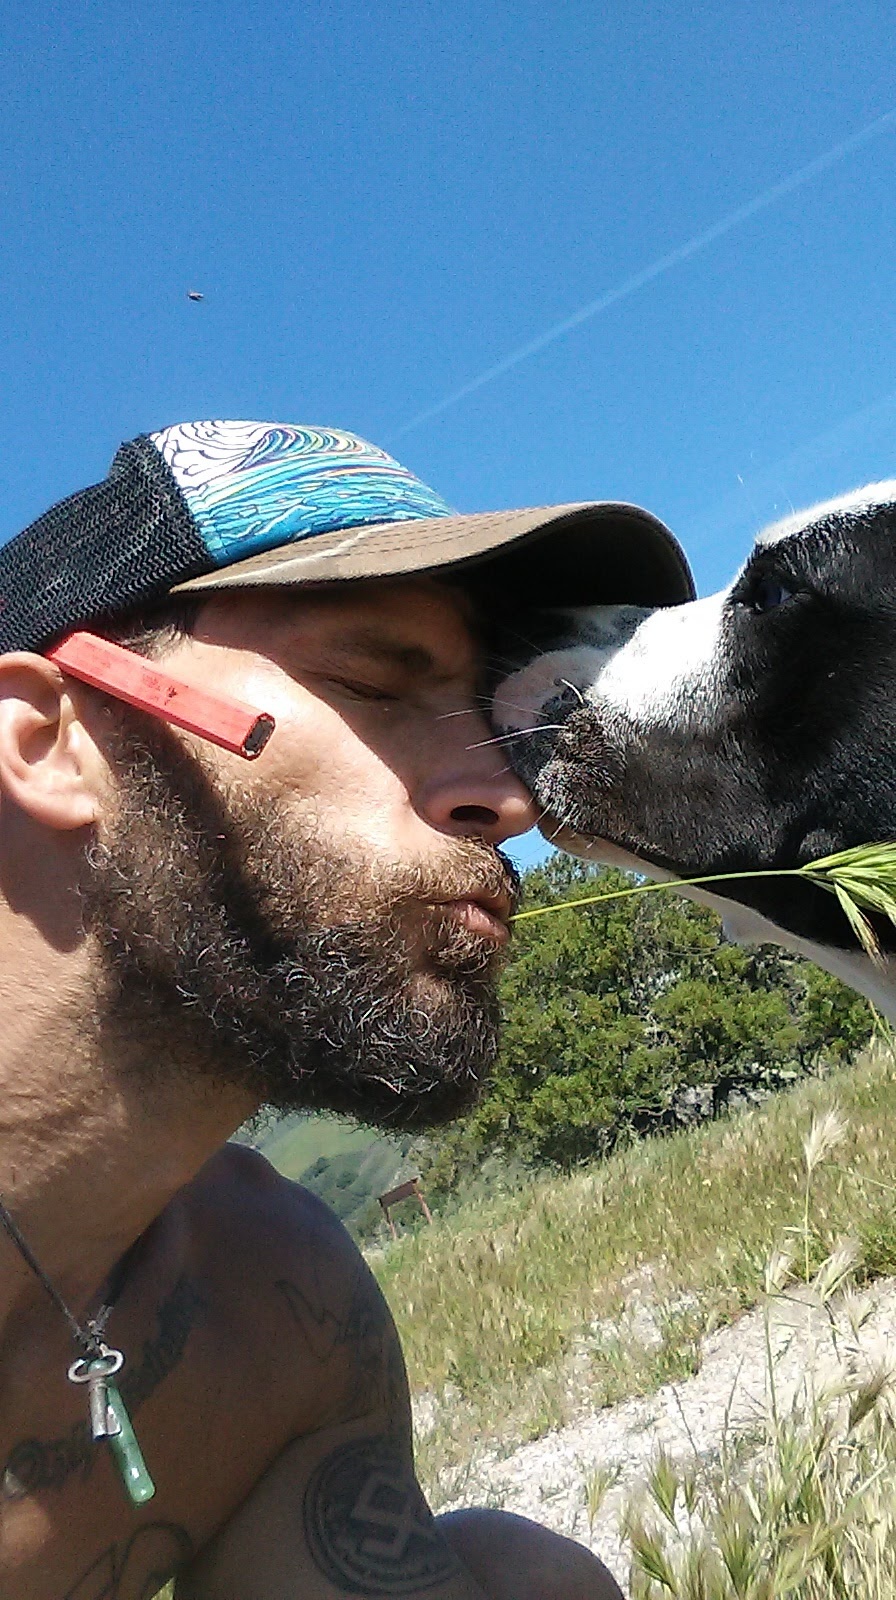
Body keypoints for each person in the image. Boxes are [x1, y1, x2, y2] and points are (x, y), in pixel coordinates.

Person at [0, 421, 693, 1599]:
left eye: (496, 722)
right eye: (374, 681)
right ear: (48, 743)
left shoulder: (279, 1309)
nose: (510, 799)